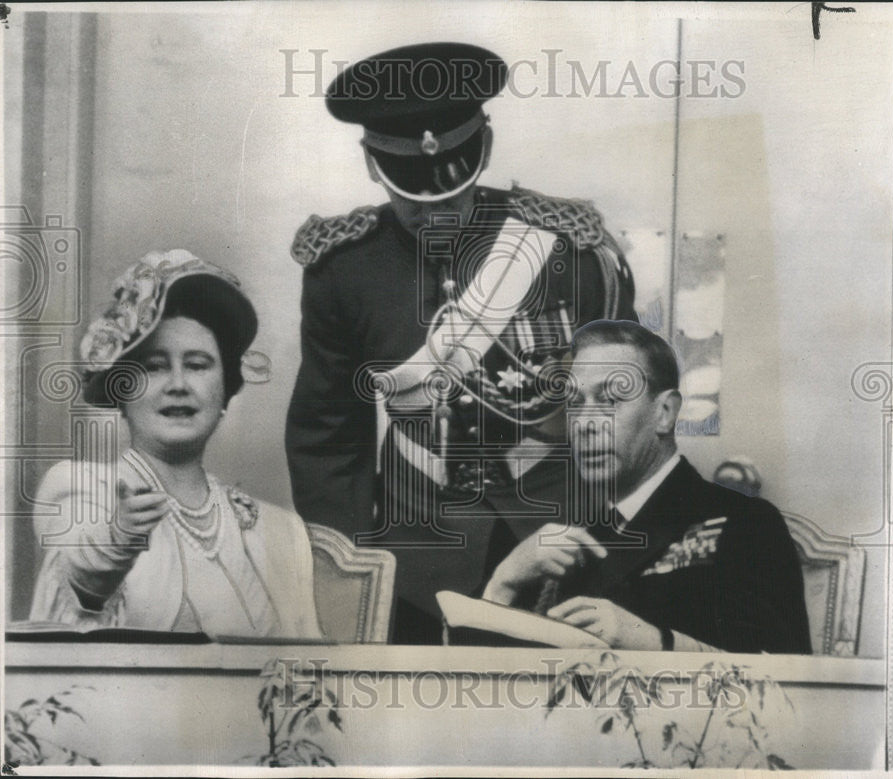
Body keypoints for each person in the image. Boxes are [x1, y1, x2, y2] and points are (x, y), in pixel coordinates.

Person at [285, 42, 636, 643]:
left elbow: (625, 408)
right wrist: (352, 570)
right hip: (417, 561)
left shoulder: (568, 251)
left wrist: (618, 536)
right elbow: (329, 436)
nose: (435, 209)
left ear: (485, 150)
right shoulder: (344, 269)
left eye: (453, 188)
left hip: (567, 545)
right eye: (412, 194)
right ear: (373, 163)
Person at [30, 250, 321, 639]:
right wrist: (116, 540)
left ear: (225, 389)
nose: (179, 384)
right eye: (154, 366)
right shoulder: (81, 492)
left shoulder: (280, 530)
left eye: (198, 365)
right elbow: (78, 579)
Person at [483, 320, 811, 654]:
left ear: (665, 413)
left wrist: (653, 641)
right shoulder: (568, 541)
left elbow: (784, 680)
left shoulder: (745, 523)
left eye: (610, 399)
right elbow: (488, 689)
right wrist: (504, 582)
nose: (585, 423)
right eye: (576, 403)